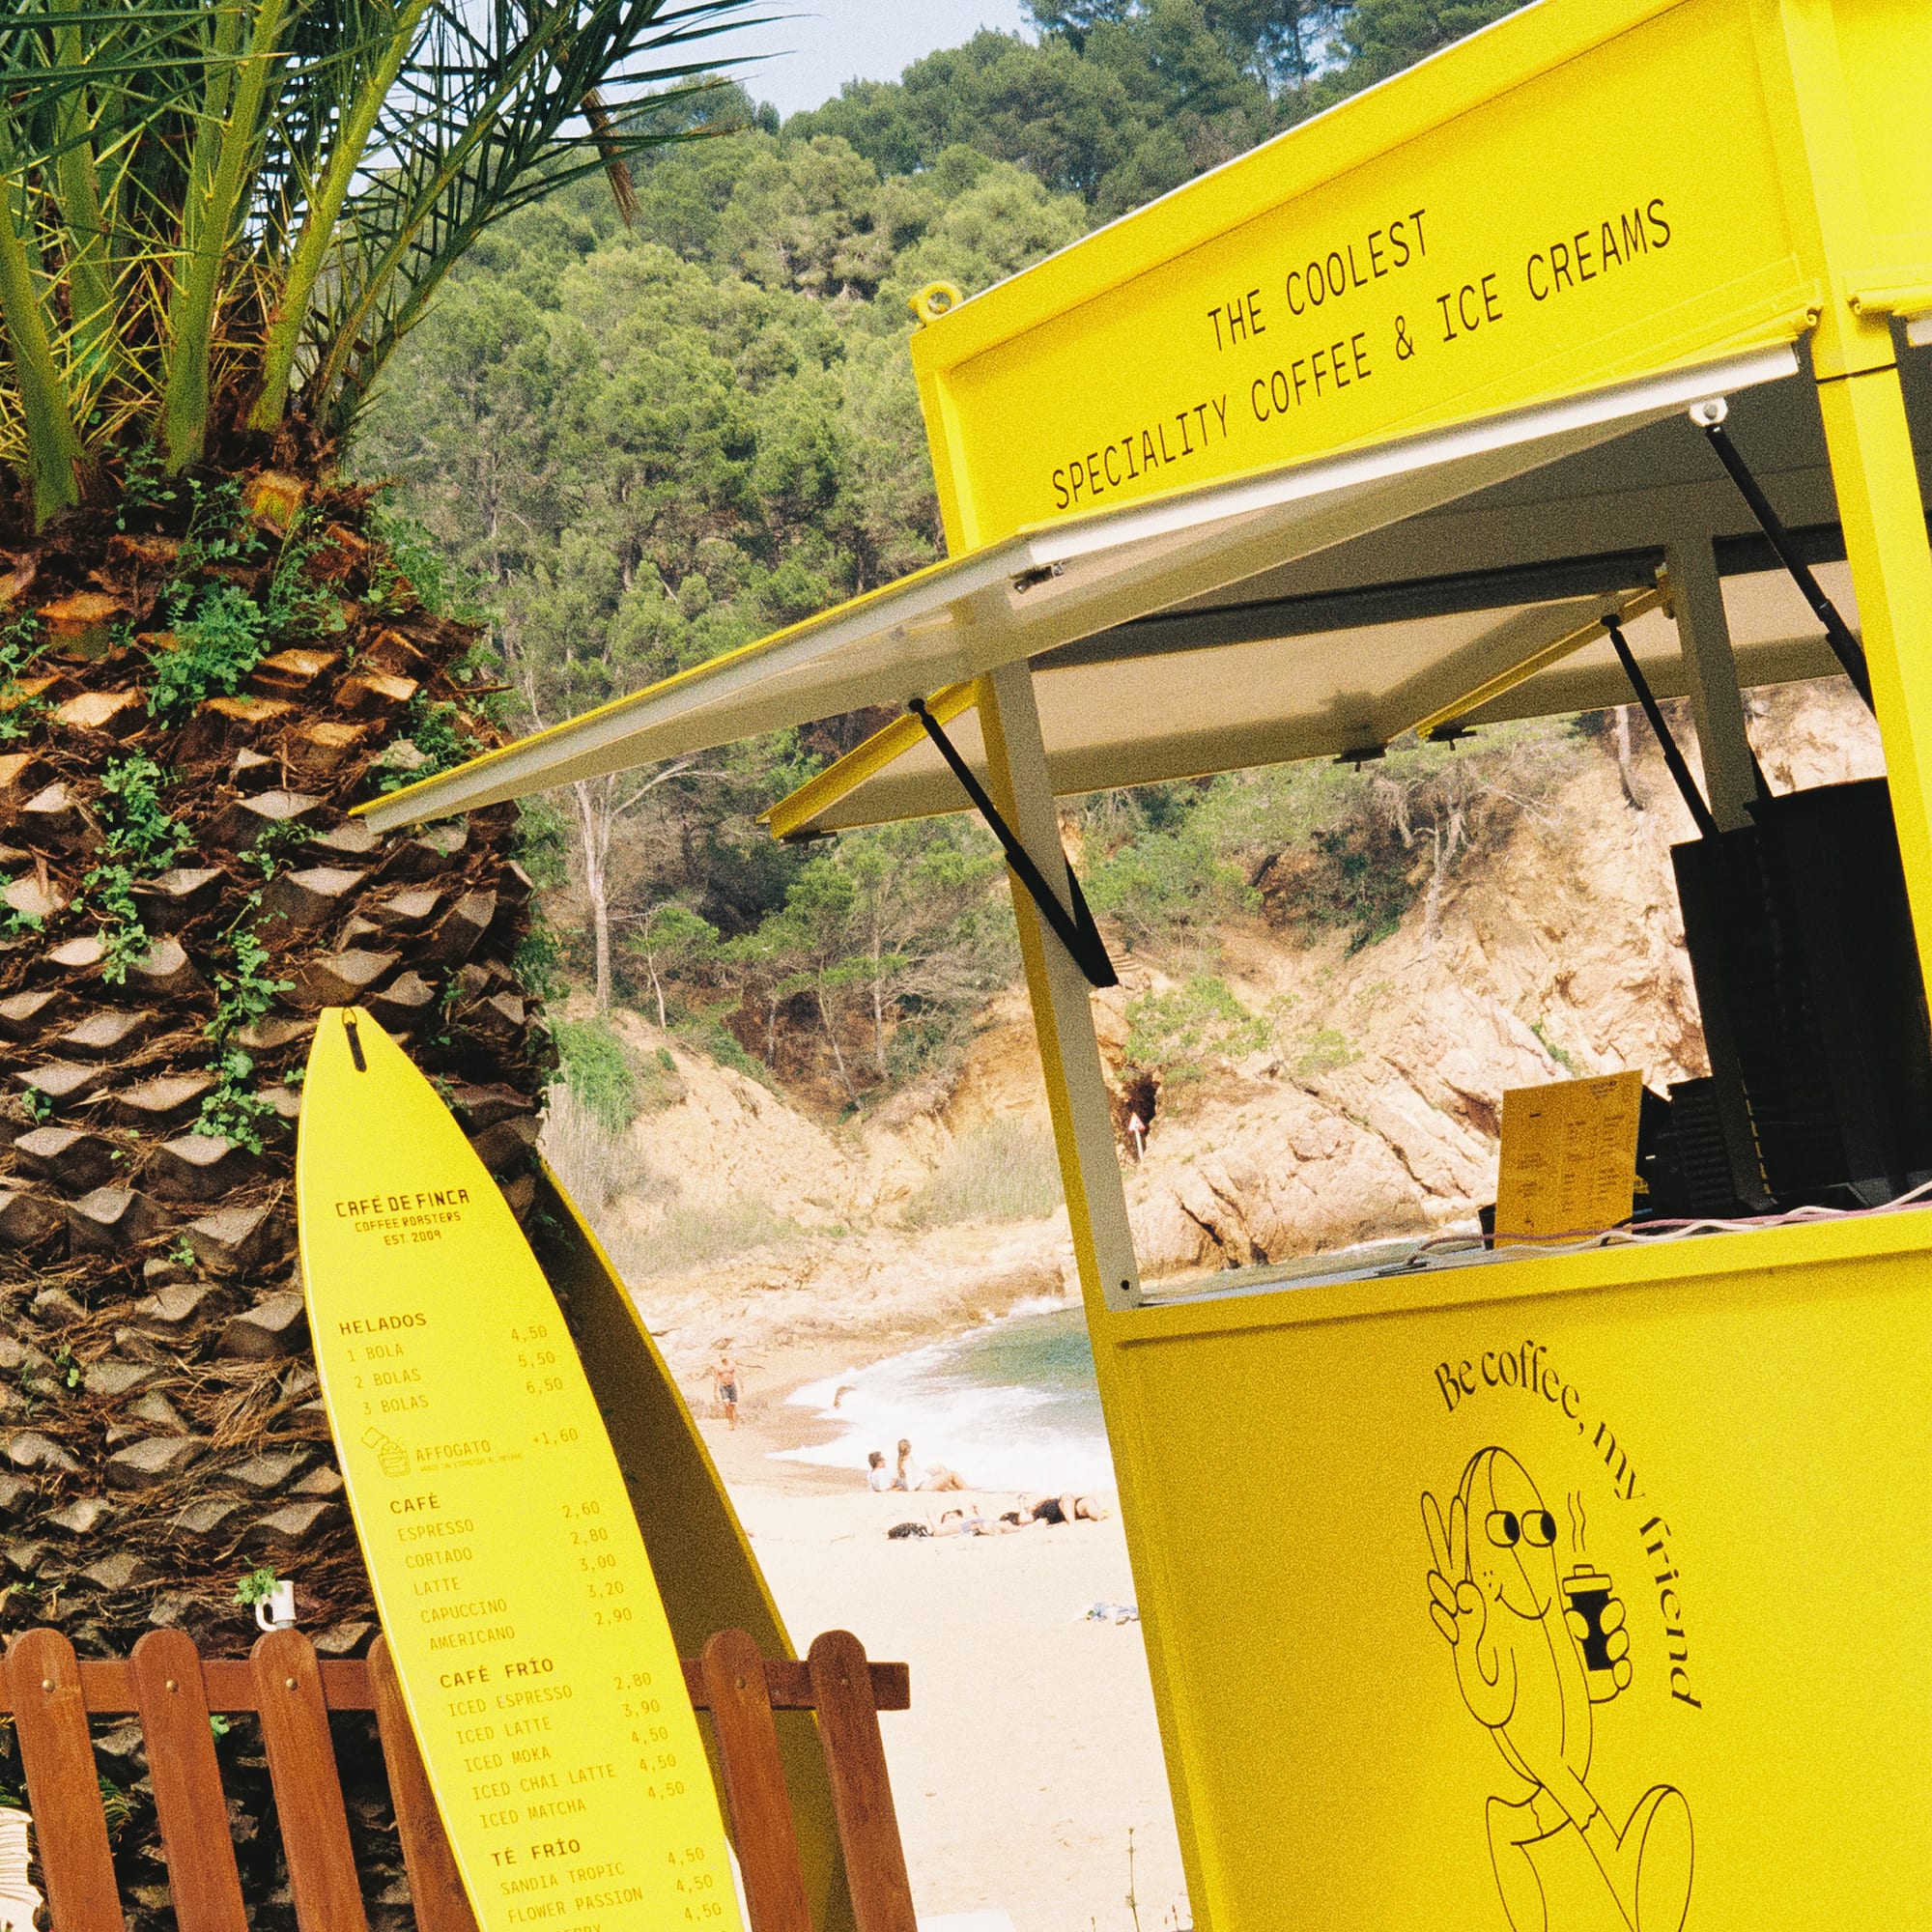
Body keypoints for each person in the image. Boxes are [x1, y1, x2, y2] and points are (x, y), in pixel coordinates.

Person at [895, 1437, 966, 1492]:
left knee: (939, 1466)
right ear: (908, 1448)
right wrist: (912, 1490)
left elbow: (907, 1477)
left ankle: (952, 1488)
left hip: (925, 1482)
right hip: (926, 1485)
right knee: (952, 1473)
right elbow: (910, 1476)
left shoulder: (901, 1461)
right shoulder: (908, 1460)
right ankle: (966, 1489)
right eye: (909, 1445)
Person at [710, 1350, 741, 1431]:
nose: (723, 1358)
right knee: (727, 1405)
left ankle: (733, 1422)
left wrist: (741, 1384)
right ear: (720, 1357)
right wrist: (714, 1392)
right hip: (723, 1387)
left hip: (732, 1386)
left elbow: (738, 1374)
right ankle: (731, 1422)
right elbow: (716, 1379)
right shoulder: (718, 1367)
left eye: (724, 1356)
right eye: (721, 1357)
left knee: (733, 1405)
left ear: (727, 1356)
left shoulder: (732, 1364)